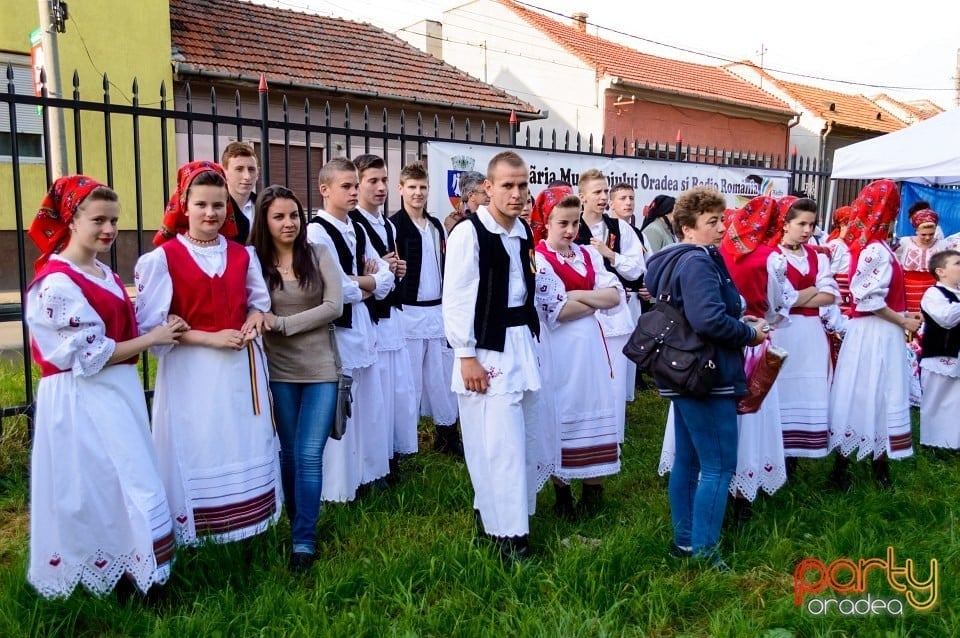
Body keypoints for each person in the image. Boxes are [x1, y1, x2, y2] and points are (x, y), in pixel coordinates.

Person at [25, 176, 184, 599]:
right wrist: (154, 339)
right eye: (98, 219)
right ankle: (106, 573)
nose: (109, 230)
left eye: (113, 220)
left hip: (116, 390)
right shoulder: (57, 283)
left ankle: (135, 569)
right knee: (96, 483)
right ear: (71, 220)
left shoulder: (103, 272)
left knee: (124, 479)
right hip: (82, 396)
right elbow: (88, 354)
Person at [136, 161, 281, 546]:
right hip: (192, 370)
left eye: (218, 206)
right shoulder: (162, 259)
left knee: (240, 437)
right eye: (201, 205)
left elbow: (259, 302)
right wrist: (208, 338)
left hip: (238, 365)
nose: (211, 214)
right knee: (201, 439)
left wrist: (253, 319)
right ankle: (199, 531)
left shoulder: (242, 255)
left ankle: (247, 524)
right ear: (184, 205)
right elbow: (153, 329)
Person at [645, 185, 767, 571]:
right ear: (687, 227)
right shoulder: (697, 261)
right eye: (712, 221)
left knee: (689, 461)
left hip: (686, 372)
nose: (721, 227)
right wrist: (749, 333)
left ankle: (685, 543)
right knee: (717, 465)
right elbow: (707, 320)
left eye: (722, 219)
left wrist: (737, 322)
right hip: (707, 374)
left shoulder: (674, 259)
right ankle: (705, 553)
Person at [442, 150, 547, 563]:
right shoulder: (469, 233)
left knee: (522, 439)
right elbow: (456, 299)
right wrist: (466, 355)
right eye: (507, 185)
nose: (516, 193)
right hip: (486, 346)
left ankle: (506, 515)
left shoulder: (523, 231)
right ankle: (507, 538)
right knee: (496, 443)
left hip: (520, 342)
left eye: (522, 186)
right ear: (488, 188)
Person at [249, 185, 343, 573]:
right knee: (288, 453)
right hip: (278, 371)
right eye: (279, 217)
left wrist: (283, 324)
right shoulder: (253, 260)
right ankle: (293, 524)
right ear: (265, 222)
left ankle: (304, 540)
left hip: (321, 369)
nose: (289, 223)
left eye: (294, 216)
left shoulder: (318, 253)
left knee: (308, 454)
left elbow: (333, 306)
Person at [306, 157, 394, 501]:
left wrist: (367, 282)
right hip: (339, 331)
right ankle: (340, 485)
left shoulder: (356, 228)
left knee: (369, 404)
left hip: (364, 327)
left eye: (355, 186)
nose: (354, 192)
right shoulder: (316, 231)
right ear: (325, 189)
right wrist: (367, 283)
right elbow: (332, 288)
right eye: (347, 186)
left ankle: (368, 473)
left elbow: (386, 278)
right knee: (342, 405)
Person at [534, 193, 623, 518]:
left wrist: (579, 294)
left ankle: (593, 488)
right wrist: (591, 300)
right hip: (561, 349)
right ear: (546, 222)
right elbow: (558, 311)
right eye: (563, 223)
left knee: (596, 405)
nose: (571, 230)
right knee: (564, 409)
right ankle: (562, 493)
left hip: (591, 351)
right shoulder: (539, 259)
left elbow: (615, 295)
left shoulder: (587, 254)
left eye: (575, 223)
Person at [827, 180, 921, 490]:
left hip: (878, 329)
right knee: (869, 391)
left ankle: (870, 461)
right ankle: (853, 467)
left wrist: (902, 315)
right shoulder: (875, 251)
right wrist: (903, 322)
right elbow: (867, 299)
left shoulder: (875, 247)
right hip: (874, 333)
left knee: (874, 391)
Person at [348, 154, 418, 483]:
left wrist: (396, 270)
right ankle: (371, 462)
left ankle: (390, 455)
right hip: (372, 317)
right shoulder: (355, 223)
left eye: (383, 180)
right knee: (374, 393)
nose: (380, 187)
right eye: (372, 181)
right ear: (357, 184)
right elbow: (364, 273)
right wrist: (380, 273)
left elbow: (387, 271)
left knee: (396, 390)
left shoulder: (387, 223)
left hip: (391, 314)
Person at [390, 161, 462, 456]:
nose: (418, 193)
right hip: (409, 312)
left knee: (442, 377)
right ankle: (405, 444)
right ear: (401, 189)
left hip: (437, 311)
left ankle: (447, 436)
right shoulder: (393, 226)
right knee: (410, 382)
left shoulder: (435, 226)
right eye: (412, 187)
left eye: (422, 188)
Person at [575, 169, 644, 443]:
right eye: (597, 192)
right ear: (583, 197)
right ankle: (585, 431)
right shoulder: (573, 227)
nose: (603, 197)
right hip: (583, 313)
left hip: (614, 314)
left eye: (606, 191)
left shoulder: (620, 229)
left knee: (615, 376)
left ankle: (612, 436)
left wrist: (610, 255)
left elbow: (638, 268)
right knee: (586, 375)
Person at [769, 197, 839, 465]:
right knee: (782, 384)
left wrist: (799, 296)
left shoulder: (816, 255)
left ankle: (799, 450)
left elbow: (829, 294)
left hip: (810, 332)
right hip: (782, 331)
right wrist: (810, 292)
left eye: (812, 224)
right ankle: (779, 447)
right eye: (801, 224)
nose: (808, 230)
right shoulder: (773, 255)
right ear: (785, 225)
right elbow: (778, 299)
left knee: (808, 386)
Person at [919, 250, 960, 452]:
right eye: (958, 263)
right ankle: (934, 444)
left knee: (956, 403)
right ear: (941, 271)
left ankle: (953, 443)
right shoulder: (934, 294)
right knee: (938, 401)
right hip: (941, 354)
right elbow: (946, 319)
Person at [221, 141, 260, 244]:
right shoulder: (216, 208)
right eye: (239, 169)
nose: (247, 176)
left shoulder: (265, 206)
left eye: (251, 169)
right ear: (225, 172)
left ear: (258, 173)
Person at [444, 170, 487, 235]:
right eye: (485, 192)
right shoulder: (452, 220)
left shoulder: (490, 217)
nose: (489, 195)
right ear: (471, 195)